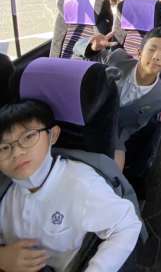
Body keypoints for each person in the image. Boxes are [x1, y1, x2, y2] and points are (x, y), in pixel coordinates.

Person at [0, 99, 141, 272]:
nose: (17, 152)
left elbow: (127, 225)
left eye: (28, 137)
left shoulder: (81, 184)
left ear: (52, 135)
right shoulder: (4, 189)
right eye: (3, 148)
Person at [74, 27, 161, 170]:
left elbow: (131, 126)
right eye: (151, 49)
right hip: (85, 115)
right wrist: (91, 47)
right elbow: (78, 52)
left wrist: (116, 143)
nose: (156, 57)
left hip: (113, 133)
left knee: (114, 174)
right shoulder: (117, 58)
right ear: (139, 53)